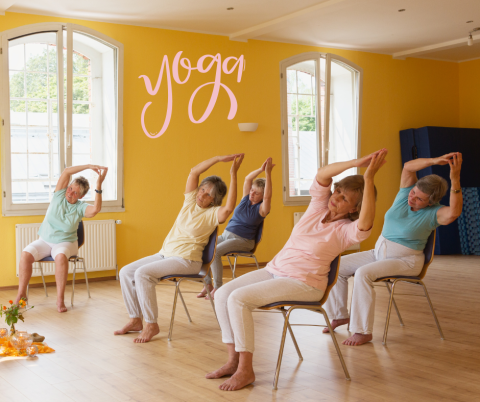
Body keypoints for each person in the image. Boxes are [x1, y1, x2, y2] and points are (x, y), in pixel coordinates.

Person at [206, 149, 387, 391]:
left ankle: (245, 370)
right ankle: (232, 361)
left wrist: (369, 178)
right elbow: (323, 174)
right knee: (221, 294)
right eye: (338, 191)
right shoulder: (317, 208)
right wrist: (357, 163)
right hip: (275, 270)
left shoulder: (347, 230)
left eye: (345, 198)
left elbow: (366, 223)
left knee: (238, 299)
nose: (336, 197)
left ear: (355, 208)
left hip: (305, 283)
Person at [323, 152, 463, 346]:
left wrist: (454, 177)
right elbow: (408, 166)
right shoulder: (405, 194)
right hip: (378, 254)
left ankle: (362, 331)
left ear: (431, 202)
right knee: (335, 265)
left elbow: (455, 211)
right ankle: (339, 315)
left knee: (363, 273)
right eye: (414, 192)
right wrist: (433, 161)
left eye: (419, 199)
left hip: (406, 261)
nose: (412, 198)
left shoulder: (436, 213)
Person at [114, 154, 244, 343]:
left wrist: (233, 173)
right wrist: (217, 159)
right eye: (202, 190)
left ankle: (151, 324)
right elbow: (194, 172)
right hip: (165, 254)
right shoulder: (189, 202)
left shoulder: (213, 214)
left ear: (214, 201)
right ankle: (135, 319)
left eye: (208, 194)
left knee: (142, 274)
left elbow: (230, 207)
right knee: (126, 271)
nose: (202, 195)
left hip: (187, 260)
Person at [15, 164, 108, 313]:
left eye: (75, 192)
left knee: (60, 257)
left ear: (81, 196)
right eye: (70, 188)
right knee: (25, 255)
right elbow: (67, 171)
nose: (70, 193)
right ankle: (21, 295)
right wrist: (89, 166)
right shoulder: (59, 194)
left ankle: (60, 300)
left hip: (66, 242)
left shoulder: (80, 207)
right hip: (45, 240)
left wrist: (98, 185)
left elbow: (96, 209)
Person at [197, 157, 274, 300]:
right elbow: (247, 179)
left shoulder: (262, 208)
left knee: (216, 252)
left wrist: (268, 174)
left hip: (243, 240)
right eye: (251, 190)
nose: (251, 193)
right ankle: (207, 284)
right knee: (203, 246)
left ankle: (218, 288)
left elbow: (269, 196)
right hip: (227, 235)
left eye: (256, 193)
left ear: (262, 197)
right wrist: (261, 170)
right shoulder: (246, 199)